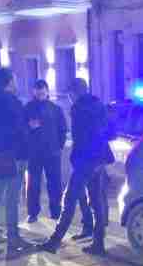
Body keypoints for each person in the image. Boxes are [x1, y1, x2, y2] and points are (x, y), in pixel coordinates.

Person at [38, 78, 112, 256]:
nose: (69, 98)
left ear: (74, 93)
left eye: (70, 94)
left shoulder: (78, 109)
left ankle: (55, 241)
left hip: (86, 160)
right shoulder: (98, 104)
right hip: (100, 158)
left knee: (69, 199)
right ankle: (98, 242)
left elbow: (80, 138)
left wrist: (76, 159)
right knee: (96, 202)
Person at [0, 68, 30, 252]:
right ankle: (13, 236)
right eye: (15, 80)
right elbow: (19, 129)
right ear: (10, 81)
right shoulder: (11, 102)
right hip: (13, 154)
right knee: (12, 198)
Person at [23, 80, 68, 223]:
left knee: (54, 183)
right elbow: (23, 129)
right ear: (33, 92)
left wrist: (58, 146)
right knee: (33, 183)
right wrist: (29, 128)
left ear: (47, 91)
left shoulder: (55, 108)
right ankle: (33, 212)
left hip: (52, 152)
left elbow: (62, 129)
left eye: (43, 91)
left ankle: (56, 211)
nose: (41, 94)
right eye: (38, 91)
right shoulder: (28, 108)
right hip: (34, 152)